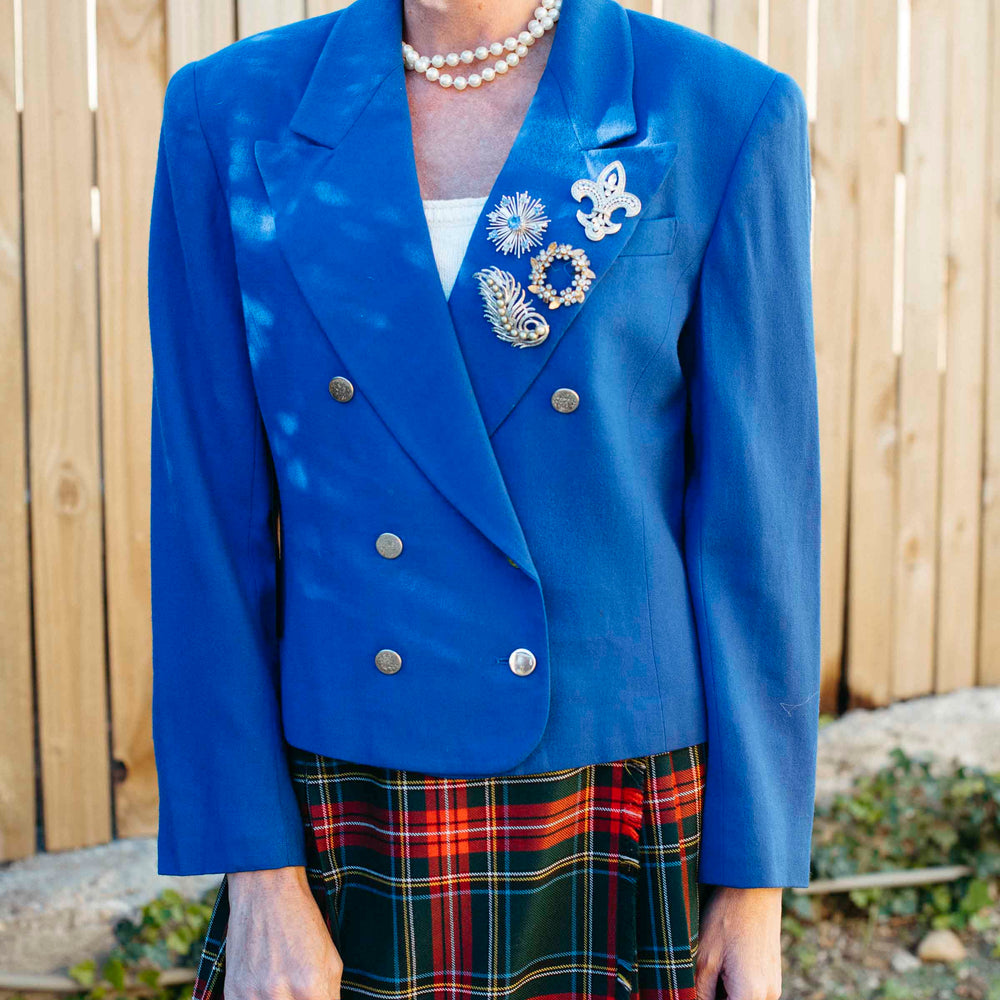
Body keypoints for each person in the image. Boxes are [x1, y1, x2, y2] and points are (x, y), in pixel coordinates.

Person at [146, 0, 820, 997]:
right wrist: (259, 874)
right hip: (348, 792)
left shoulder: (716, 108)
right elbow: (205, 519)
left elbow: (756, 532)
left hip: (615, 795)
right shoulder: (231, 111)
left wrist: (753, 880)